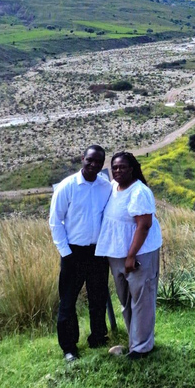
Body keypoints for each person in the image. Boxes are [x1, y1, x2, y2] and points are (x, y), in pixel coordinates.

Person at [49, 144, 112, 362]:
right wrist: (65, 253)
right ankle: (69, 348)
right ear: (82, 158)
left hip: (98, 253)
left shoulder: (106, 187)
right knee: (68, 302)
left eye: (98, 162)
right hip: (73, 253)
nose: (94, 165)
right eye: (90, 160)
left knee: (98, 297)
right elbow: (55, 221)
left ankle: (97, 337)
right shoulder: (67, 187)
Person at [96, 151, 162, 360]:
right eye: (114, 167)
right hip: (117, 254)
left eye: (122, 167)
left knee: (142, 300)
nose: (117, 171)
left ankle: (142, 348)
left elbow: (144, 226)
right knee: (126, 300)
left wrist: (131, 256)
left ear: (132, 168)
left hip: (138, 254)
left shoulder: (139, 192)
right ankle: (135, 341)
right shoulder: (114, 188)